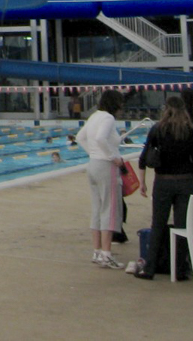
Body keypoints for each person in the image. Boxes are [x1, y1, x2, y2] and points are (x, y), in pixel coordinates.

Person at [131, 96, 193, 280]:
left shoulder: (157, 130)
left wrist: (143, 183)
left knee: (158, 224)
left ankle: (150, 268)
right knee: (183, 227)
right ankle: (179, 270)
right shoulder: (191, 132)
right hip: (186, 182)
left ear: (166, 109)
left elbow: (143, 158)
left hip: (163, 181)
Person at [74, 89, 126, 268]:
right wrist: (114, 158)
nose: (122, 108)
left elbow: (81, 137)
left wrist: (93, 153)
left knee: (97, 209)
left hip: (93, 164)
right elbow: (101, 138)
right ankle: (106, 254)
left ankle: (97, 252)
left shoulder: (95, 115)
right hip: (106, 167)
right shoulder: (108, 118)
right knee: (110, 209)